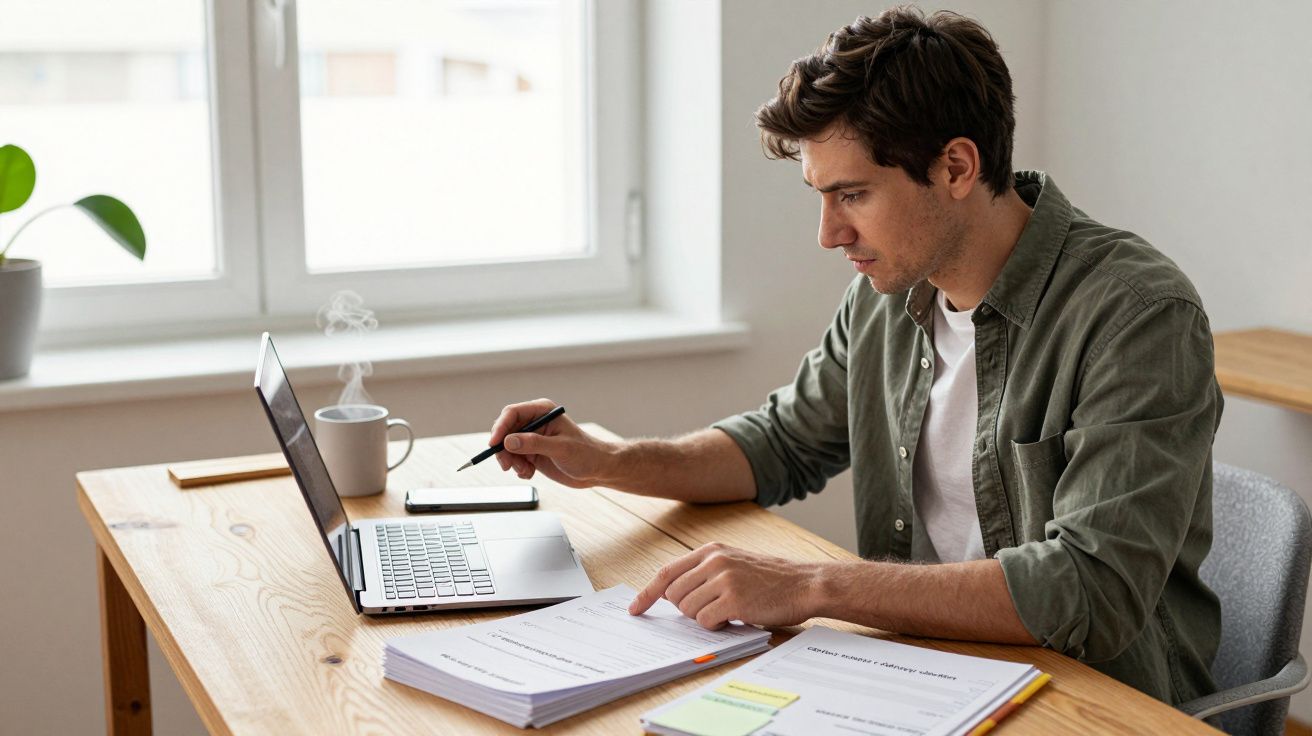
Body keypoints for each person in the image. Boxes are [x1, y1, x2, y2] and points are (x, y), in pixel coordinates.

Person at [485, 5, 1221, 705]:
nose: (828, 233)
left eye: (853, 195)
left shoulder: (1137, 315)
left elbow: (1089, 591)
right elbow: (779, 444)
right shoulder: (887, 297)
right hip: (924, 670)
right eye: (819, 195)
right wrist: (610, 461)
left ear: (957, 168)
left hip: (1091, 698)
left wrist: (813, 586)